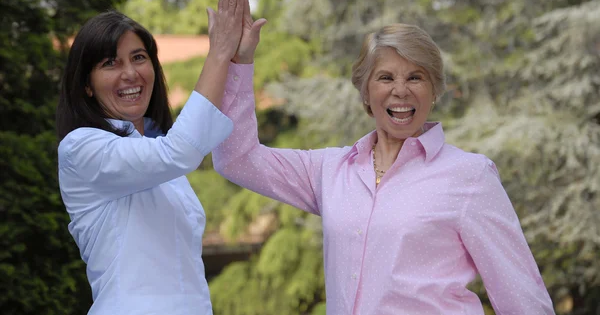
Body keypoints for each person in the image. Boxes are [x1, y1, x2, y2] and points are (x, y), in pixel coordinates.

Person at [212, 22, 556, 314]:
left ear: (434, 89)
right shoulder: (330, 170)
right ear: (365, 92)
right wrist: (238, 63)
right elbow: (237, 159)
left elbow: (522, 297)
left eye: (416, 77)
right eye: (386, 77)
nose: (401, 91)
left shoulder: (470, 176)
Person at [56, 0, 262, 315]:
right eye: (110, 63)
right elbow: (181, 151)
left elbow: (228, 150)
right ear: (86, 85)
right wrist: (219, 54)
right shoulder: (81, 148)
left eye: (139, 57)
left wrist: (238, 62)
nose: (130, 73)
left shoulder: (158, 148)